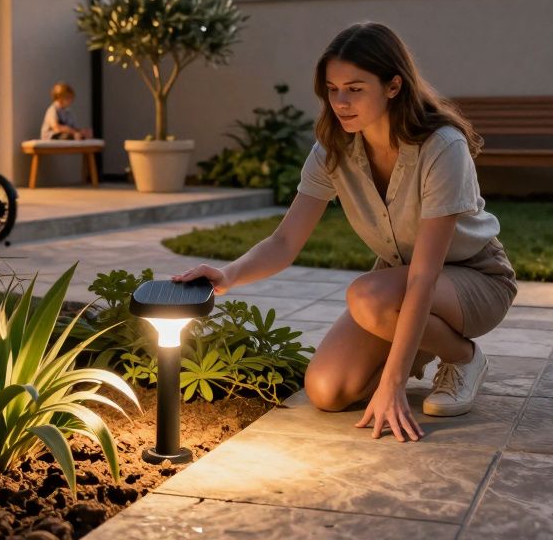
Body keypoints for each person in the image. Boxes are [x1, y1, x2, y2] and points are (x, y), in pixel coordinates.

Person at [174, 22, 516, 443]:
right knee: (327, 391)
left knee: (367, 296)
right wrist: (229, 275)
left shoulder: (441, 146)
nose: (341, 101)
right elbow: (285, 241)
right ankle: (420, 343)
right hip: (400, 286)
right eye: (332, 89)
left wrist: (392, 382)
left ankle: (463, 357)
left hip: (475, 280)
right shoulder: (333, 150)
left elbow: (424, 275)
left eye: (355, 88)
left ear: (393, 86)